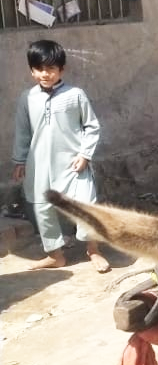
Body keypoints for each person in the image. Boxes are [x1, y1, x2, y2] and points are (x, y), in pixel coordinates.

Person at [12, 39, 110, 272]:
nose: (45, 74)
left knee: (85, 205)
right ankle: (55, 255)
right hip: (38, 165)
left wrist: (85, 154)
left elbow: (91, 126)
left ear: (61, 69)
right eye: (39, 69)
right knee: (43, 209)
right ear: (32, 71)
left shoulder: (75, 95)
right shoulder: (27, 98)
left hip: (73, 163)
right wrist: (20, 160)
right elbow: (22, 131)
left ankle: (93, 250)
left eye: (50, 68)